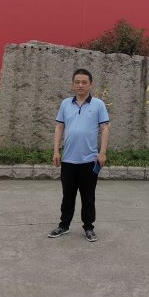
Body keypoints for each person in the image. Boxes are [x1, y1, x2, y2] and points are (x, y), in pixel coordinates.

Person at [48, 69, 110, 242]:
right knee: (67, 196)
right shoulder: (65, 104)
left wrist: (102, 152)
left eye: (84, 82)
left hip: (89, 161)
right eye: (77, 82)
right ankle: (64, 225)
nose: (80, 85)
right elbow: (59, 127)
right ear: (73, 84)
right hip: (68, 160)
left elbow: (105, 128)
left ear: (90, 84)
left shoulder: (98, 104)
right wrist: (56, 151)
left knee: (88, 197)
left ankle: (88, 227)